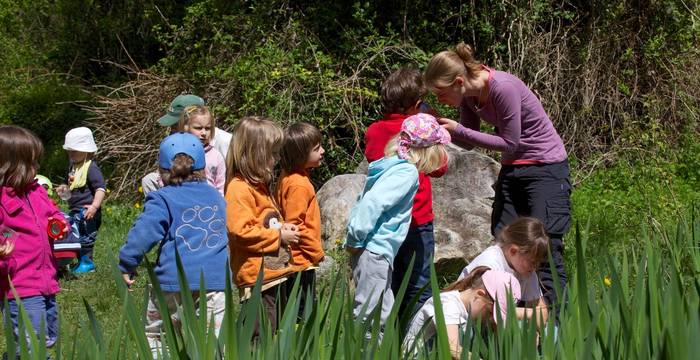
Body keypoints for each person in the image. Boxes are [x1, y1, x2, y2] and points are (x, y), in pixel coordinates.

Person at [424, 43, 571, 310]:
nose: (440, 100)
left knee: (543, 249)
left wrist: (457, 128)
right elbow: (469, 140)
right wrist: (440, 128)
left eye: (441, 94)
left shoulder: (503, 87)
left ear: (458, 82)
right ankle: (508, 321)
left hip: (545, 169)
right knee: (505, 244)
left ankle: (554, 329)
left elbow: (510, 142)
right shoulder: (470, 96)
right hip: (514, 169)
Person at [118, 132, 228, 356]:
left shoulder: (162, 198)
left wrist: (127, 263)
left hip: (171, 282)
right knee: (214, 343)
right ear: (202, 169)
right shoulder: (216, 197)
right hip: (214, 283)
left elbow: (143, 234)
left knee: (156, 336)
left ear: (162, 171)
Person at [345, 113, 450, 336]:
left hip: (377, 251)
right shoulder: (406, 172)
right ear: (429, 150)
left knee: (382, 312)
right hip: (375, 250)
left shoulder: (392, 164)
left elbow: (366, 197)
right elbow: (373, 203)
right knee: (369, 319)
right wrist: (355, 238)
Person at [365, 67, 447, 318]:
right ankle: (416, 342)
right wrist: (430, 119)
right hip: (418, 220)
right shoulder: (419, 128)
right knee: (419, 286)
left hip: (385, 224)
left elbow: (373, 159)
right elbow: (440, 168)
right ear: (417, 104)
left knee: (388, 284)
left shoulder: (374, 131)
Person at [225, 116, 299, 335]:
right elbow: (240, 232)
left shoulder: (259, 187)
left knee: (273, 331)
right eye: (273, 153)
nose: (277, 159)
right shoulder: (239, 189)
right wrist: (279, 237)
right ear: (255, 154)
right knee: (258, 336)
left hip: (273, 275)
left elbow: (267, 221)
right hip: (257, 280)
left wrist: (284, 227)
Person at [0, 125, 68, 353]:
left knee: (48, 336)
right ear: (11, 166)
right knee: (32, 344)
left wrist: (59, 223)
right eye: (32, 163)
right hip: (19, 284)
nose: (37, 168)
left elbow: (52, 212)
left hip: (46, 280)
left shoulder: (36, 191)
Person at [403, 267, 521, 358]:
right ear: (480, 295)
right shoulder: (449, 304)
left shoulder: (470, 312)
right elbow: (451, 348)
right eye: (490, 312)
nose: (491, 318)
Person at [457, 217, 549, 325]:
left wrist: (535, 331)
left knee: (553, 332)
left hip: (498, 321)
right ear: (513, 251)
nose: (536, 267)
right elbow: (491, 309)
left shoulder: (526, 270)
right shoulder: (490, 264)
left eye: (538, 263)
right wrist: (528, 314)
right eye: (532, 262)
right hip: (467, 320)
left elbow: (541, 310)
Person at [277, 122, 325, 322]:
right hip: (300, 261)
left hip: (295, 260)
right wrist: (316, 252)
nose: (323, 151)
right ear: (299, 155)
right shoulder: (299, 184)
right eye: (316, 149)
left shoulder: (288, 178)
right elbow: (295, 226)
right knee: (302, 314)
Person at [142, 94, 233, 194]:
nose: (174, 129)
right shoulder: (181, 142)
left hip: (211, 192)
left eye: (176, 124)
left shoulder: (225, 142)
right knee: (149, 180)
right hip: (183, 189)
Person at [60, 126, 106, 273]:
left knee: (86, 237)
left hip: (88, 211)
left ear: (87, 151)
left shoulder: (91, 167)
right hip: (75, 210)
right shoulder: (73, 167)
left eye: (75, 151)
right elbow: (72, 189)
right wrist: (64, 192)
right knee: (76, 235)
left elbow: (100, 189)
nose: (71, 153)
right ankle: (80, 261)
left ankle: (87, 262)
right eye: (69, 151)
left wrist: (94, 206)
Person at [177, 104, 226, 194]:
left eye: (207, 128)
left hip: (210, 203)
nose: (204, 133)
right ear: (186, 128)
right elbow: (165, 179)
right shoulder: (177, 153)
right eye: (198, 128)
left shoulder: (216, 156)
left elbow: (220, 187)